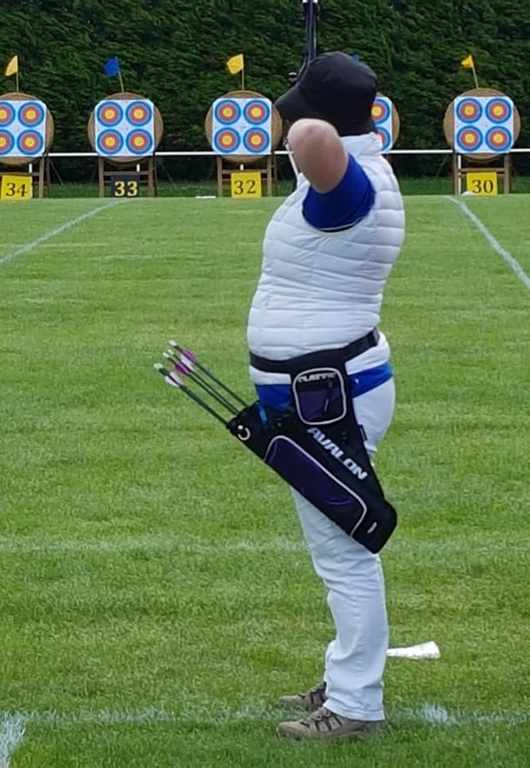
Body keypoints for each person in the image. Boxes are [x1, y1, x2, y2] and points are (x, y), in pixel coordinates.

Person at [246, 52, 405, 740]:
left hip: (329, 398)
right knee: (338, 547)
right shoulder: (357, 174)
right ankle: (346, 674)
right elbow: (317, 144)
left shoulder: (350, 187)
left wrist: (312, 119)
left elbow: (311, 140)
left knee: (344, 551)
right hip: (323, 392)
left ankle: (357, 704)